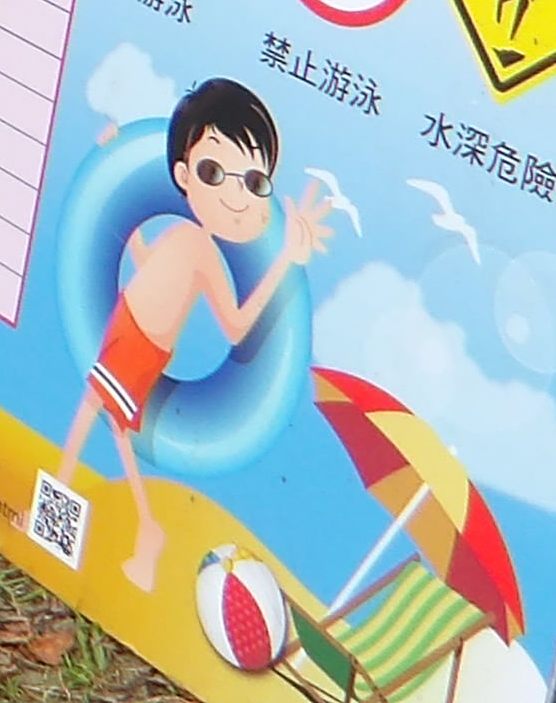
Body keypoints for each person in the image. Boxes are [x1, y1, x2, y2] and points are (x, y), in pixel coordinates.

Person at [43, 82, 338, 591]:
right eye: (212, 173)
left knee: (93, 409)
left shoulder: (205, 253)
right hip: (127, 324)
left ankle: (61, 513)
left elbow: (236, 326)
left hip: (141, 345)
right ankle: (138, 532)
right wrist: (112, 176)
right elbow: (148, 266)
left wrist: (286, 258)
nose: (233, 195)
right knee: (112, 426)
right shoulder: (184, 235)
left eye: (252, 181)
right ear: (183, 174)